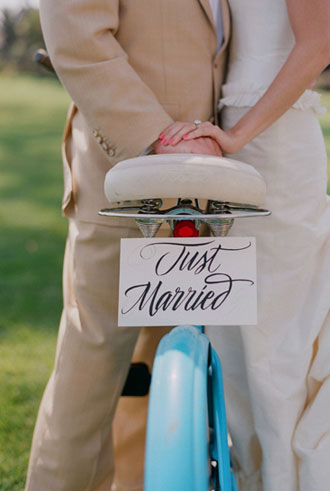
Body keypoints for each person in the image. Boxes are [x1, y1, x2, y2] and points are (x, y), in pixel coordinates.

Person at [25, 1, 230, 490]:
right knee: (90, 375)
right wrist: (155, 136)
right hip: (121, 177)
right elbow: (76, 33)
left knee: (161, 371)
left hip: (203, 185)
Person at [161, 0, 330, 489]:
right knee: (237, 322)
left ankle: (286, 477)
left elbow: (315, 47)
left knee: (278, 330)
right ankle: (250, 474)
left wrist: (236, 136)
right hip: (229, 135)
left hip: (275, 141)